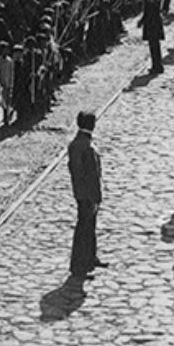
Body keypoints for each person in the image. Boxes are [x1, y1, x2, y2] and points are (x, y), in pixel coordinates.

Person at [68, 110, 106, 276]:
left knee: (88, 226)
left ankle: (90, 257)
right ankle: (80, 264)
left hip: (79, 192)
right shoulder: (88, 148)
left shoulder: (75, 143)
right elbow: (93, 177)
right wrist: (97, 198)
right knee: (84, 228)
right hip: (88, 194)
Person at [141, 0, 167, 75]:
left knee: (155, 45)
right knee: (152, 46)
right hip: (150, 22)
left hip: (154, 22)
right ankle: (155, 65)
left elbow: (154, 8)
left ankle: (158, 66)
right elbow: (146, 10)